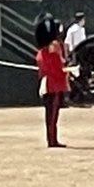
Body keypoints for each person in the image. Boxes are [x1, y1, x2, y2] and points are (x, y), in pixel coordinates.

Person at [35, 14, 69, 148]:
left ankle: (52, 138)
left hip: (51, 83)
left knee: (52, 114)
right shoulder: (49, 53)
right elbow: (56, 69)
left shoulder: (43, 53)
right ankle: (52, 140)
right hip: (52, 84)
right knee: (52, 114)